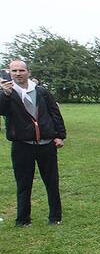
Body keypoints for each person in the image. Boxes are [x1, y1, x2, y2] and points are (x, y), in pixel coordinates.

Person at [0, 59, 66, 226]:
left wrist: (59, 135)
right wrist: (5, 95)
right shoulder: (7, 93)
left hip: (46, 145)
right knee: (24, 184)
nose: (18, 74)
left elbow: (54, 113)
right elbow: (2, 111)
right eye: (14, 71)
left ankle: (55, 217)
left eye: (21, 70)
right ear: (9, 72)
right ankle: (23, 220)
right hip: (22, 145)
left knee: (52, 182)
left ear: (28, 72)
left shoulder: (41, 92)